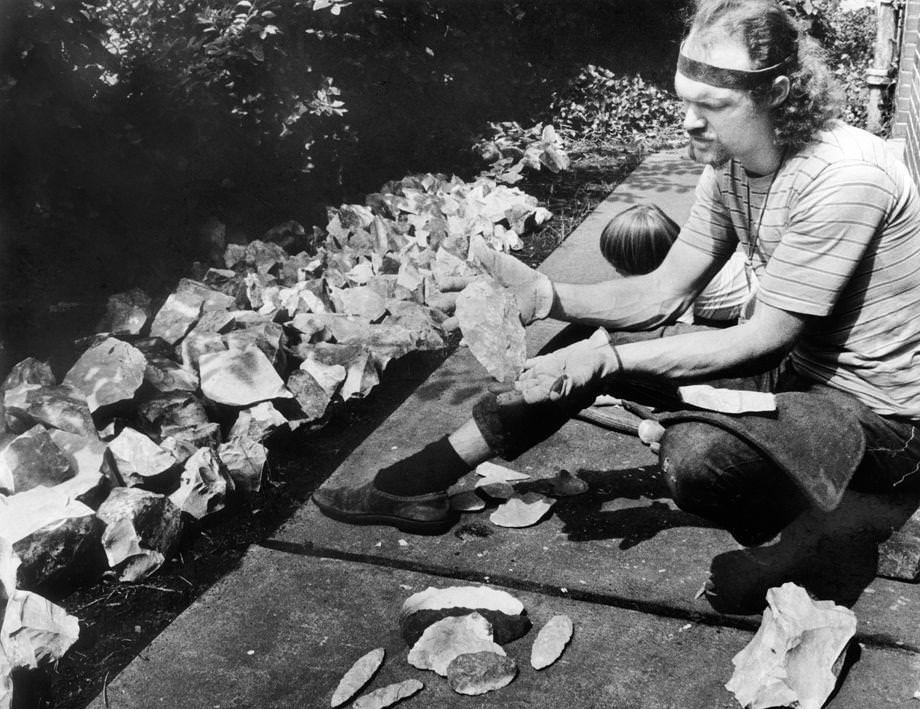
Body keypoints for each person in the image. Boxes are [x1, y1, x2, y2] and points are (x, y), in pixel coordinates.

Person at [314, 0, 920, 562]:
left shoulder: (845, 178)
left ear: (779, 94)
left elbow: (760, 337)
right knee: (582, 350)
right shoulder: (733, 164)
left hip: (884, 415)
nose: (690, 124)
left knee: (698, 461)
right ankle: (410, 484)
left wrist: (602, 364)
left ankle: (811, 530)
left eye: (712, 107)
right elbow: (662, 292)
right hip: (799, 377)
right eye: (685, 101)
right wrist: (546, 297)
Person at [599, 202, 750, 325]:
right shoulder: (685, 257)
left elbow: (680, 329)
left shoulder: (678, 284)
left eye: (619, 265)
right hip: (740, 266)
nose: (615, 270)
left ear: (646, 266)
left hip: (751, 290)